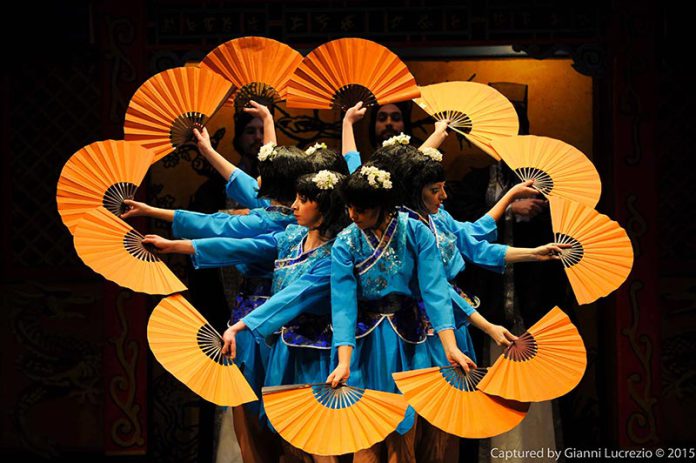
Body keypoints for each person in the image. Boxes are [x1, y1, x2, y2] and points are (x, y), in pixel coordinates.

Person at [142, 170, 349, 463]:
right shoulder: (292, 236)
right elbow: (242, 246)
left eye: (303, 200)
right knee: (285, 440)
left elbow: (292, 297)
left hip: (312, 353)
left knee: (315, 441)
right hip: (282, 350)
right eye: (296, 198)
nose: (294, 206)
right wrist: (176, 245)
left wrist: (242, 324)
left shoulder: (334, 255)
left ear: (325, 207)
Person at [327, 162, 475, 463]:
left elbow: (435, 291)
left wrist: (450, 347)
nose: (352, 216)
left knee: (405, 439)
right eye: (349, 208)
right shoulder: (346, 241)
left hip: (409, 339)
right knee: (365, 440)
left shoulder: (415, 231)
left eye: (360, 210)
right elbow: (343, 305)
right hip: (365, 343)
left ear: (382, 205)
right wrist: (343, 361)